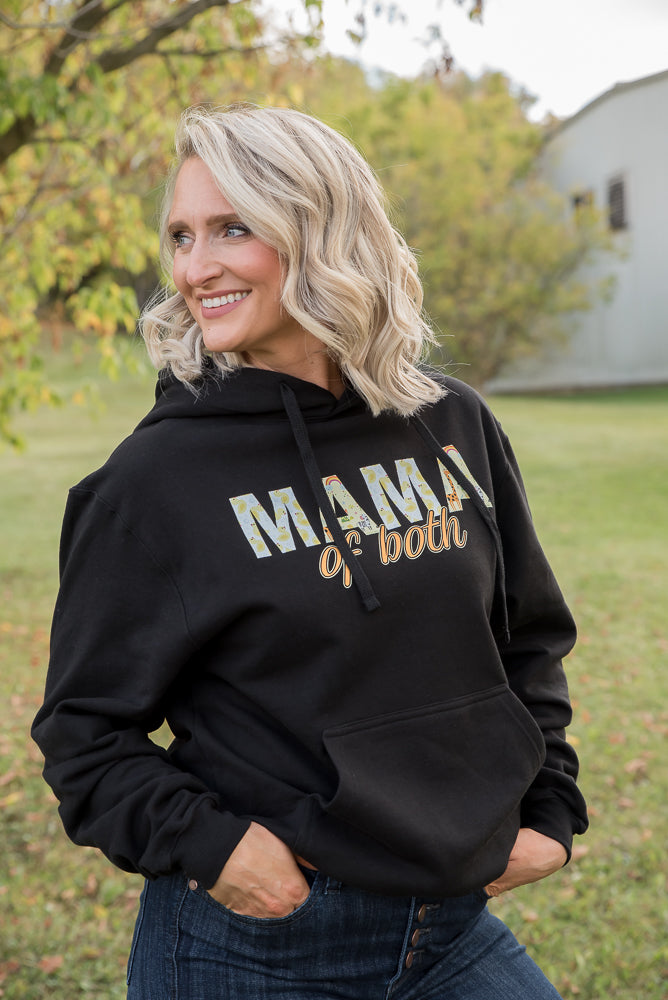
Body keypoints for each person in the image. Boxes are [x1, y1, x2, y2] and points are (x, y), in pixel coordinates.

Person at [33, 104, 588, 999]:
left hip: (451, 926)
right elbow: (83, 734)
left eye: (232, 228)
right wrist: (218, 850)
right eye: (180, 236)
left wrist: (551, 806)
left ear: (323, 228)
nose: (194, 268)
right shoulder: (152, 482)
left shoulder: (452, 424)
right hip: (259, 943)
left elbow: (530, 635)